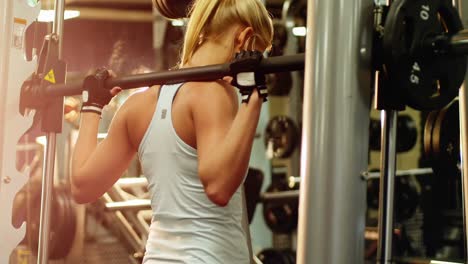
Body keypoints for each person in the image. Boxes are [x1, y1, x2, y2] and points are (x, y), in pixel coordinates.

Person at [70, 0, 273, 263]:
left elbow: (82, 186)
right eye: (259, 52)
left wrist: (92, 105)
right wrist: (253, 97)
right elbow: (219, 187)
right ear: (244, 40)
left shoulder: (139, 105)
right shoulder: (215, 94)